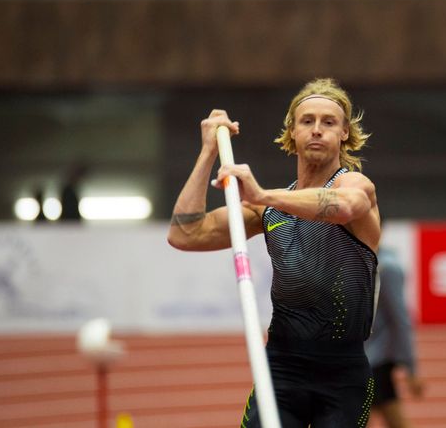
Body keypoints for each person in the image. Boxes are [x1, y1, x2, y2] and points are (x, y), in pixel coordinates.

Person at [167, 78, 381, 427]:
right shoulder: (268, 210)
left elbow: (345, 206)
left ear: (344, 133)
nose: (317, 130)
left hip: (343, 375)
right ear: (292, 132)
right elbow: (185, 233)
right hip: (281, 369)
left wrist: (262, 194)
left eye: (328, 122)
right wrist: (207, 153)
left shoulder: (354, 186)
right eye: (307, 121)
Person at [365, 246, 424, 428]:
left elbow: (401, 319)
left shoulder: (386, 268)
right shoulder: (355, 261)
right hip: (360, 358)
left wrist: (411, 368)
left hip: (374, 361)